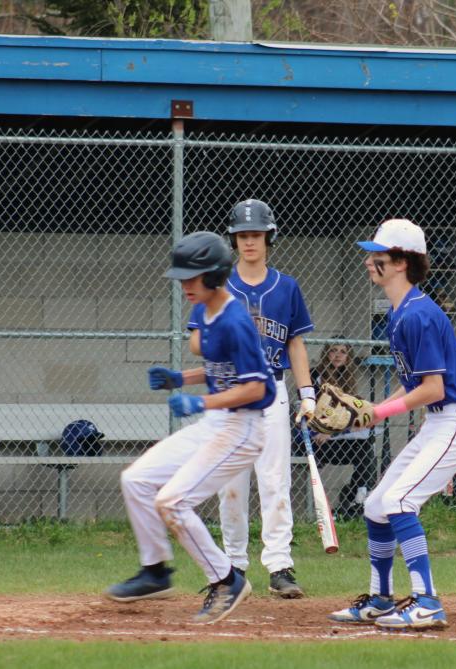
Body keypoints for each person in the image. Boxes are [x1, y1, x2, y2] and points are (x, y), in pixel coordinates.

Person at [104, 231, 275, 624]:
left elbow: (255, 386)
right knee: (137, 480)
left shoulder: (235, 320)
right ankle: (155, 571)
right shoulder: (203, 311)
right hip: (215, 423)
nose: (184, 286)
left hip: (243, 429)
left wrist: (200, 401)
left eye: (191, 278)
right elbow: (219, 370)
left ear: (214, 277)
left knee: (173, 502)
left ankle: (227, 580)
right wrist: (180, 379)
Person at [328, 218, 456, 630]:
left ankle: (428, 601)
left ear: (401, 262)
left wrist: (379, 413)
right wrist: (372, 406)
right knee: (377, 505)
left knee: (400, 501)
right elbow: (411, 383)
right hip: (440, 422)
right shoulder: (401, 313)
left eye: (377, 255)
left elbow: (434, 388)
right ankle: (382, 598)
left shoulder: (418, 315)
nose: (368, 261)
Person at [194, 199, 314, 599]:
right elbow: (199, 342)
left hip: (273, 391)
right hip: (230, 394)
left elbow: (295, 344)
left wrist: (307, 394)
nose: (249, 242)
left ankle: (280, 565)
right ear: (234, 240)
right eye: (243, 236)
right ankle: (232, 568)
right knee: (230, 484)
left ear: (268, 238)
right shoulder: (219, 286)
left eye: (256, 235)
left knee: (274, 479)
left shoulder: (288, 286)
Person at [309, 341, 376, 519]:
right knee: (365, 447)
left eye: (343, 352)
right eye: (333, 351)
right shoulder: (315, 375)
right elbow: (313, 409)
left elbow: (349, 412)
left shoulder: (347, 377)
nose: (338, 355)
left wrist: (364, 413)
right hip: (317, 440)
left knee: (367, 447)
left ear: (348, 357)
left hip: (338, 437)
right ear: (326, 354)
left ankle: (358, 497)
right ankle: (355, 496)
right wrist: (326, 429)